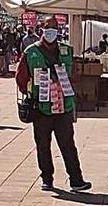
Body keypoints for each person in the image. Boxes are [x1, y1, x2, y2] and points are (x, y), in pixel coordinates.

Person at [15, 17, 91, 192]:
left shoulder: (66, 50)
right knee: (43, 144)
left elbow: (74, 74)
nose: (51, 31)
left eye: (55, 28)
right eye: (48, 28)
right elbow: (21, 78)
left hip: (63, 106)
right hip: (40, 107)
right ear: (42, 29)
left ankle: (76, 180)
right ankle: (47, 179)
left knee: (68, 145)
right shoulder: (31, 52)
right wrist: (30, 92)